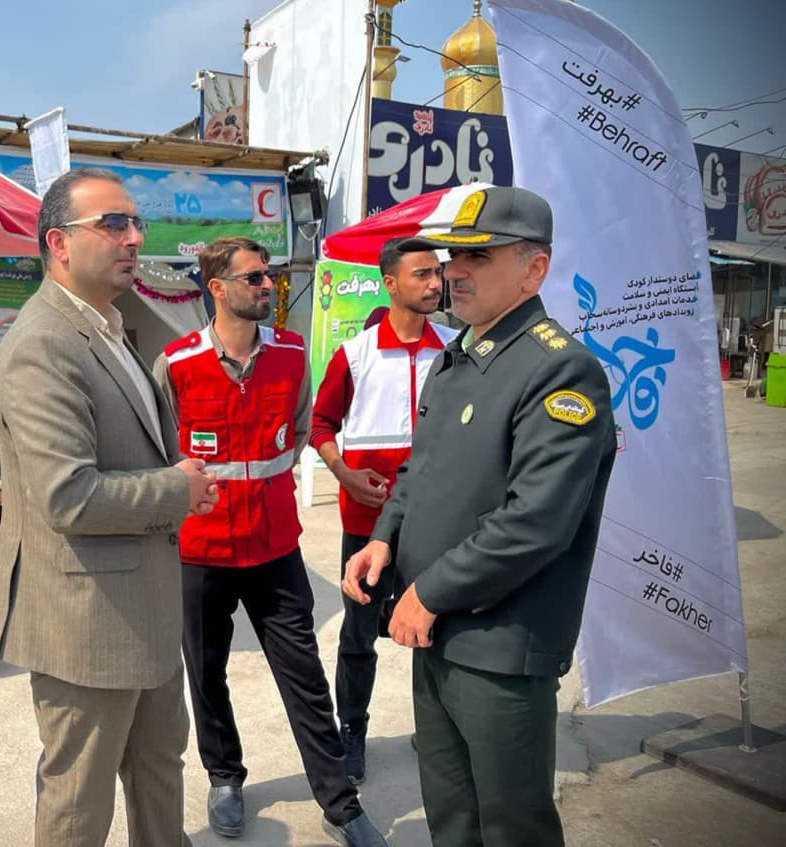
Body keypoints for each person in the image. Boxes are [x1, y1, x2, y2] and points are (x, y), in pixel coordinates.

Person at [342, 186, 616, 847]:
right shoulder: (458, 356)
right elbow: (421, 472)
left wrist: (429, 592)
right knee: (452, 818)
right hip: (433, 633)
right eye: (453, 256)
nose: (454, 271)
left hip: (498, 648)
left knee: (511, 827)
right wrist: (384, 539)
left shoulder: (560, 370)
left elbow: (535, 520)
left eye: (479, 256)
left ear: (534, 270)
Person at [0, 166, 217, 847]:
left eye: (135, 222)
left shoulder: (108, 328)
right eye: (113, 224)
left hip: (143, 608)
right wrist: (178, 490)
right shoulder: (42, 343)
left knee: (159, 770)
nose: (134, 237)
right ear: (59, 242)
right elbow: (69, 496)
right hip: (85, 619)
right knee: (79, 801)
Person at [155, 237, 388, 847]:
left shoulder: (292, 353)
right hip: (201, 551)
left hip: (276, 548)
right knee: (206, 673)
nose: (267, 286)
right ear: (217, 288)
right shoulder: (176, 364)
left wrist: (328, 476)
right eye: (254, 277)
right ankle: (225, 777)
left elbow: (304, 430)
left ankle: (340, 804)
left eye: (270, 276)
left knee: (305, 677)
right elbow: (161, 455)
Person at [310, 240, 453, 783]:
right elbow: (320, 425)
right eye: (422, 274)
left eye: (437, 273)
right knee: (358, 636)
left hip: (439, 521)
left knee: (440, 628)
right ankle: (352, 730)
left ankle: (439, 727)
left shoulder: (455, 350)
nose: (435, 283)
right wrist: (343, 472)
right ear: (390, 283)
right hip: (367, 524)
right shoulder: (356, 354)